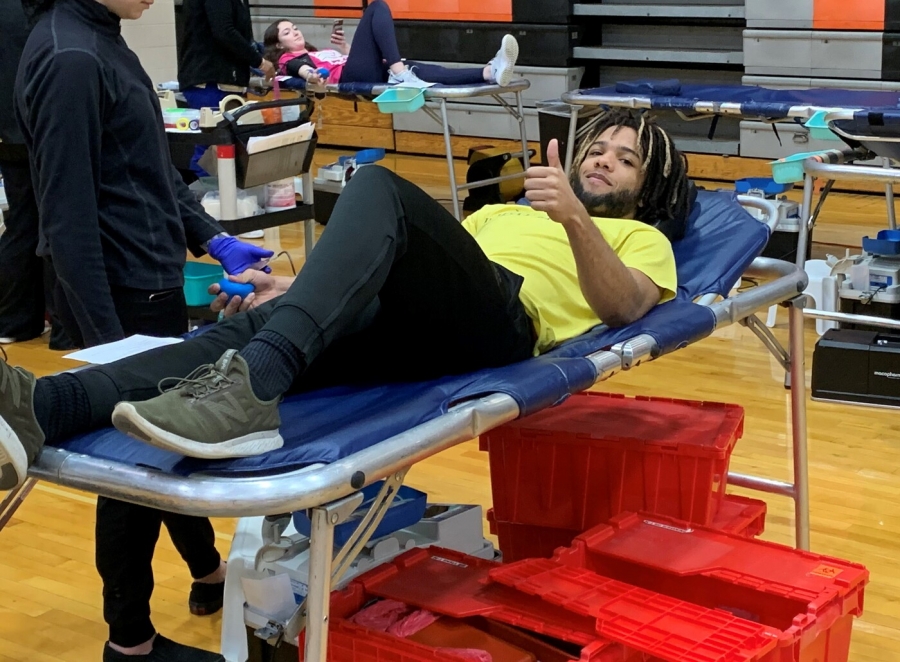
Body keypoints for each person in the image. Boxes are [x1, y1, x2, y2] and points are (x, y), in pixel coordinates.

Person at [0, 108, 692, 479]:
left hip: (504, 322)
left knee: (381, 187)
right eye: (599, 149)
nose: (604, 160)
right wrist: (301, 289)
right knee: (237, 331)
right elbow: (393, 260)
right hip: (420, 318)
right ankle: (45, 406)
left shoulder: (639, 241)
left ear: (646, 188)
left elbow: (626, 310)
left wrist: (574, 216)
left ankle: (253, 389)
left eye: (625, 159)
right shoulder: (503, 213)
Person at [14, 0, 274, 659]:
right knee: (132, 470)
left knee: (167, 442)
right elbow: (66, 220)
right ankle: (128, 639)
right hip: (119, 296)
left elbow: (151, 170)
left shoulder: (104, 41)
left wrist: (212, 238)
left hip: (151, 279)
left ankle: (208, 571)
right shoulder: (69, 56)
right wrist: (108, 347)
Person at [0, 1, 70, 349]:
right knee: (54, 222)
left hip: (9, 131)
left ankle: (16, 320)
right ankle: (63, 325)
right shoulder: (46, 13)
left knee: (22, 223)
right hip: (37, 127)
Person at [263, 0, 519, 88]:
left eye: (295, 27)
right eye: (287, 32)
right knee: (376, 8)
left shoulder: (320, 52)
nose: (295, 32)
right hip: (352, 78)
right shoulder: (288, 60)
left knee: (429, 72)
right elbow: (299, 69)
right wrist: (311, 76)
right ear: (279, 44)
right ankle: (399, 74)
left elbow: (351, 62)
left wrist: (346, 51)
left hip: (365, 69)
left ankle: (489, 73)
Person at [178, 0, 276, 181]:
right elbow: (224, 31)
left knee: (225, 148)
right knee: (210, 148)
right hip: (209, 81)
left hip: (227, 81)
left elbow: (242, 36)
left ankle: (218, 200)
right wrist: (259, 62)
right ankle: (206, 201)